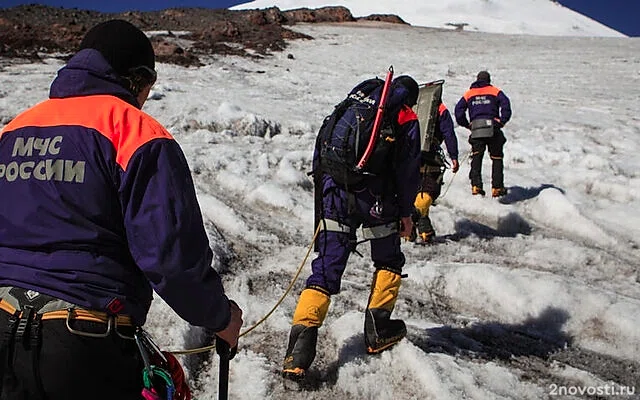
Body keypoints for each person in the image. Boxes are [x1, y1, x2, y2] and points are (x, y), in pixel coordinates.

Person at [0, 19, 242, 399]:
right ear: (136, 78)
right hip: (83, 345)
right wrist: (220, 317)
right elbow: (171, 257)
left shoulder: (14, 130)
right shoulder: (136, 132)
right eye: (150, 85)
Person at [282, 75, 421, 381]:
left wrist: (322, 200)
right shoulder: (406, 115)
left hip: (335, 189)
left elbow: (324, 142)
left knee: (325, 269)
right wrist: (407, 213)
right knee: (388, 260)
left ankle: (297, 354)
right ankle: (378, 331)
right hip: (377, 199)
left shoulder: (357, 101)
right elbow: (408, 170)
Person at [454, 70, 512, 197]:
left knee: (477, 156)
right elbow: (506, 105)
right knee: (496, 158)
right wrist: (501, 121)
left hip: (477, 128)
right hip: (493, 127)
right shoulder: (495, 91)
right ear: (489, 80)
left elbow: (458, 110)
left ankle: (476, 186)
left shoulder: (469, 93)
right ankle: (497, 188)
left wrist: (467, 124)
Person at [411, 99, 459, 244]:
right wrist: (454, 156)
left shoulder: (413, 107)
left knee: (415, 194)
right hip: (430, 156)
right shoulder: (440, 109)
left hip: (409, 156)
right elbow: (448, 132)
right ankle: (412, 221)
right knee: (427, 192)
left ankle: (423, 231)